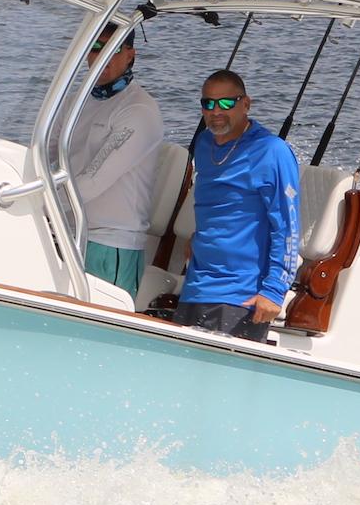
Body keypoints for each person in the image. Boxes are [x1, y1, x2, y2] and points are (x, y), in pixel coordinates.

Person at [176, 68, 301, 340]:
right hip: (196, 286)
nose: (216, 111)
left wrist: (274, 291)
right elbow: (216, 205)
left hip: (240, 297)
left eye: (226, 102)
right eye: (208, 103)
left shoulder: (272, 151)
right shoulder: (204, 142)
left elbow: (288, 228)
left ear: (246, 104)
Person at [65, 21, 164, 299]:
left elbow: (93, 182)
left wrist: (39, 204)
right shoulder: (75, 102)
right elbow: (45, 153)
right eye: (96, 47)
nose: (102, 55)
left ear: (130, 54)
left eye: (112, 47)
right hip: (68, 232)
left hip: (110, 246)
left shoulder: (139, 110)